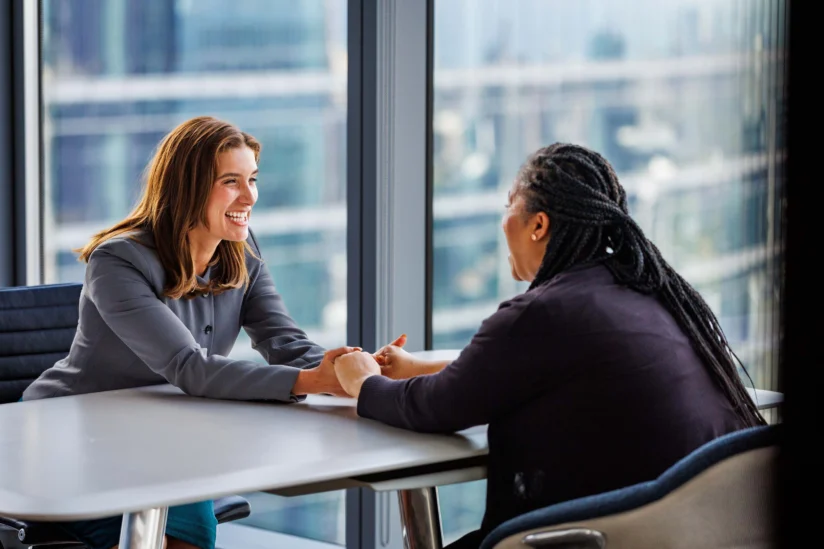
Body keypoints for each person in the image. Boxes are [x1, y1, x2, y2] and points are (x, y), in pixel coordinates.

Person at [334, 143, 766, 548]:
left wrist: (363, 382)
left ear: (539, 225)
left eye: (509, 205)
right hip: (705, 530)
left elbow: (435, 409)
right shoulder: (648, 292)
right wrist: (415, 367)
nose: (504, 219)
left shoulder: (544, 313)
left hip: (597, 534)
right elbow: (525, 371)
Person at [22, 116, 400, 549]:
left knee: (184, 530)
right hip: (70, 437)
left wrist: (357, 368)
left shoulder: (241, 253)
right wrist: (315, 381)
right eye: (231, 181)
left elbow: (286, 344)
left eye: (253, 179)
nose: (250, 196)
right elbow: (188, 366)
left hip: (165, 439)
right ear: (188, 186)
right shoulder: (117, 261)